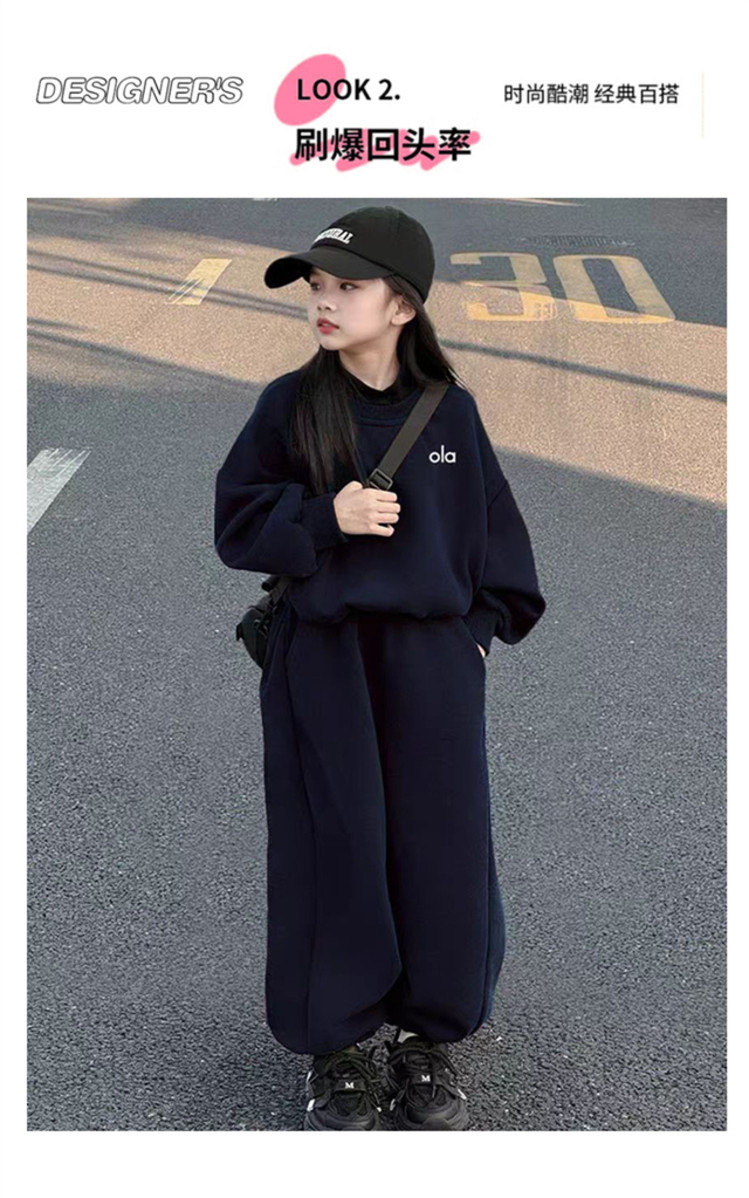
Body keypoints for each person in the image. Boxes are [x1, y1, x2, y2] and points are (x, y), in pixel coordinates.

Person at [214, 205, 546, 1131]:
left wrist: (474, 635)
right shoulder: (289, 405)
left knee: (440, 845)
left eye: (346, 286)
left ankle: (427, 1038)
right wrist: (327, 518)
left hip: (431, 663)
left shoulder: (451, 414)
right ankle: (336, 1045)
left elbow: (499, 544)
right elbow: (236, 524)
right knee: (333, 841)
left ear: (402, 306)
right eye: (316, 286)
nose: (324, 301)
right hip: (322, 656)